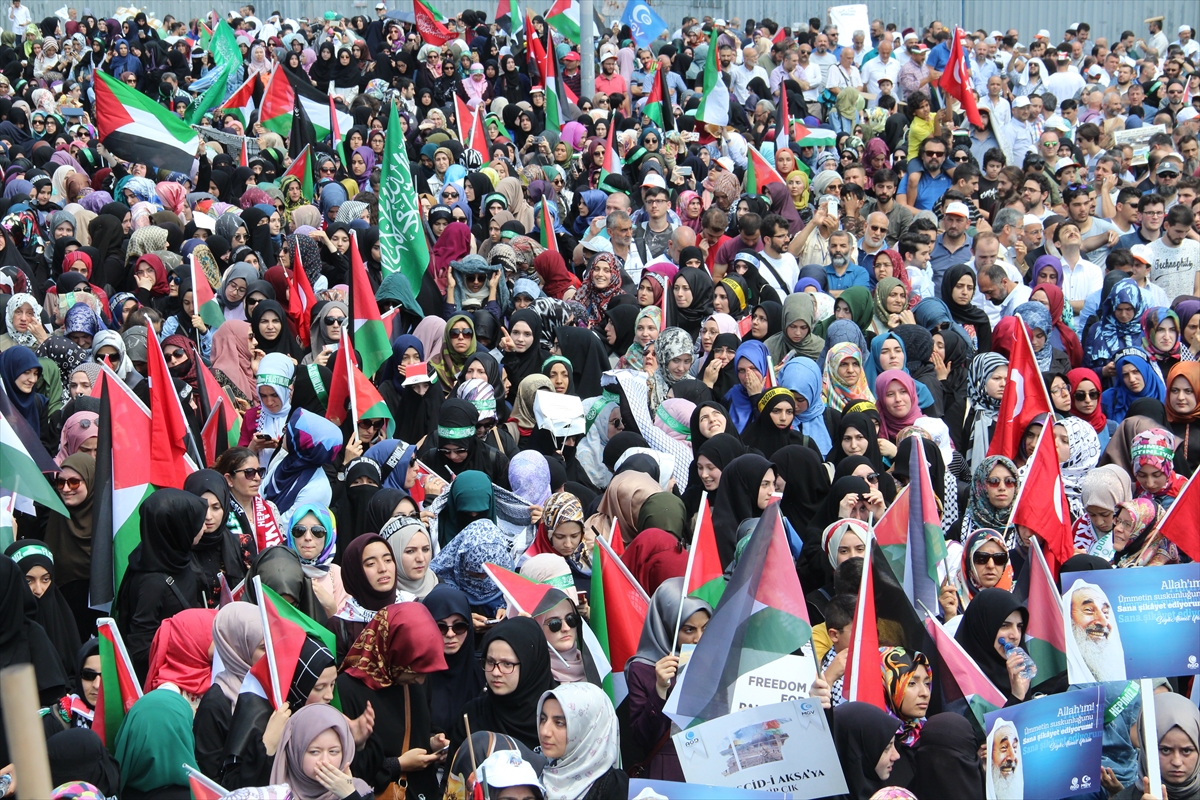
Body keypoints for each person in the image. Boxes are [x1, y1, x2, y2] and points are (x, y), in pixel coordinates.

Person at [337, 602, 449, 797]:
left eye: (425, 672)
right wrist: (398, 765)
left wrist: (432, 741)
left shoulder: (417, 679)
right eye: (413, 671)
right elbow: (346, 767)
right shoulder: (348, 689)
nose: (420, 680)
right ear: (392, 653)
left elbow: (423, 723)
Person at [624, 576, 712, 780]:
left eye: (705, 628)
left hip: (711, 765)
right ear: (666, 625)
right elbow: (642, 739)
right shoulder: (643, 668)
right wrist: (660, 690)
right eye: (689, 630)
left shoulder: (715, 659)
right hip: (669, 772)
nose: (699, 638)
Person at [453, 616, 557, 756]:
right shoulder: (473, 715)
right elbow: (454, 775)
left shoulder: (559, 714)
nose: (496, 672)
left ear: (531, 666)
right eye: (490, 662)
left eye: (507, 664)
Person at [536, 682, 628, 800]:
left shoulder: (611, 785)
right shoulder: (534, 771)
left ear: (588, 729)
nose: (545, 731)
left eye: (559, 723)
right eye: (543, 719)